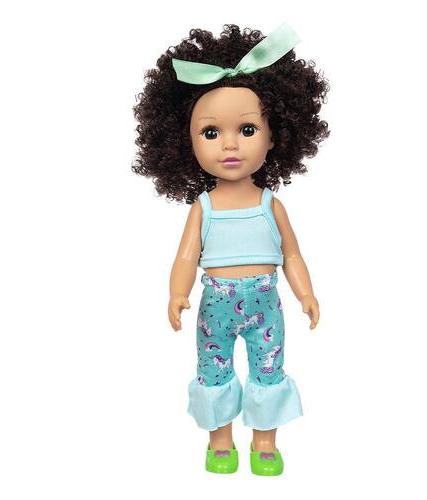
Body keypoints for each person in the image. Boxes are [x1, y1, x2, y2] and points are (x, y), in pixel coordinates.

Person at [132, 22, 330, 475]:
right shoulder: (202, 207)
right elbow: (186, 256)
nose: (230, 144)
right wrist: (177, 292)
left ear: (275, 135)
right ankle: (220, 441)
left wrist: (306, 293)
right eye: (210, 133)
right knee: (214, 370)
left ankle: (264, 442)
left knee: (269, 369)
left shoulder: (269, 204)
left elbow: (292, 254)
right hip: (215, 305)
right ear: (185, 142)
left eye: (246, 128)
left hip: (266, 303)